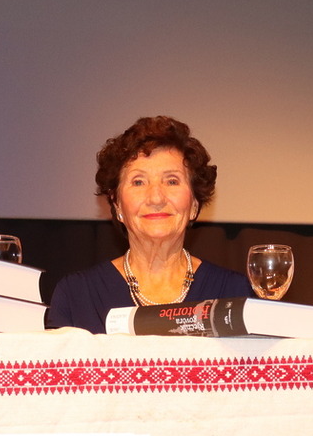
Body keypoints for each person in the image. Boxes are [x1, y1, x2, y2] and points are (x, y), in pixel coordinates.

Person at [48, 116, 252, 333]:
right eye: (138, 182)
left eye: (171, 181)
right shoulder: (76, 296)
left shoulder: (235, 294)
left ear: (194, 204)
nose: (156, 198)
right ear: (117, 204)